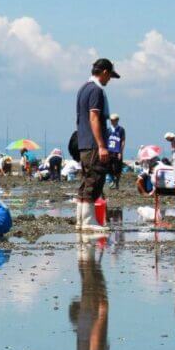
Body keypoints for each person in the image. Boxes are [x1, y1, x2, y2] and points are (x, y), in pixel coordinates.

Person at [75, 59, 119, 232]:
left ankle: (81, 220)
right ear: (105, 72)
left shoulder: (83, 89)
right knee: (94, 179)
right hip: (94, 143)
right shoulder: (96, 91)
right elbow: (94, 118)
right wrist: (102, 145)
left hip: (83, 142)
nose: (109, 81)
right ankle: (88, 221)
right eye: (109, 77)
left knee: (85, 181)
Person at [107, 114, 125, 189]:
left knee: (118, 168)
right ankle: (112, 180)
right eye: (111, 120)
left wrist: (120, 152)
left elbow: (123, 141)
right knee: (108, 167)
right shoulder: (108, 130)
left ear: (117, 120)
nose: (112, 121)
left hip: (117, 151)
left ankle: (117, 182)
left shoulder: (121, 130)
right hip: (109, 151)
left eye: (114, 120)